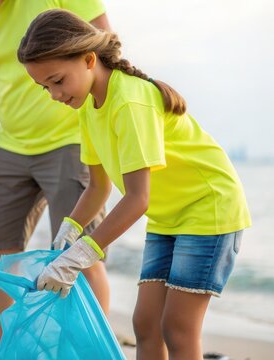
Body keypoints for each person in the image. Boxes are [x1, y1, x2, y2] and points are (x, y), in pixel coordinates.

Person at [18, 9, 252, 359]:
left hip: (209, 210)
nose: (53, 94)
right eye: (44, 87)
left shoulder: (129, 101)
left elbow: (137, 198)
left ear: (88, 59)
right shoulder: (87, 106)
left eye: (57, 80)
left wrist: (80, 256)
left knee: (177, 327)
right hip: (168, 216)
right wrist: (70, 228)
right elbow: (98, 187)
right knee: (145, 324)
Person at [0, 1, 112, 358]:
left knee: (79, 250)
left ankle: (87, 352)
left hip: (72, 136)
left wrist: (108, 122)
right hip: (11, 141)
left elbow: (106, 46)